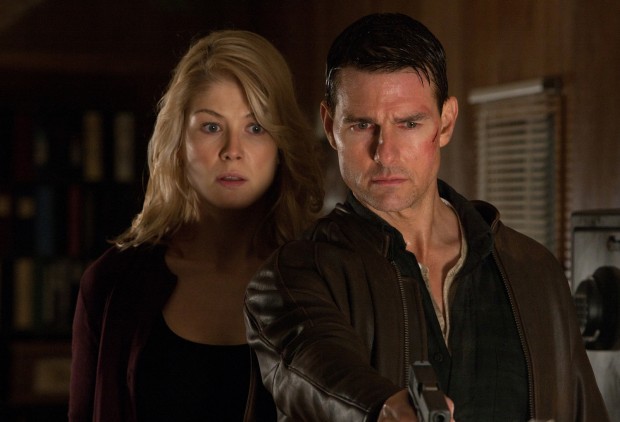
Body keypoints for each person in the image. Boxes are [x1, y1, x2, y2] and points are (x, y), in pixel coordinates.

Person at [244, 13, 609, 421]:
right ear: (331, 127)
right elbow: (318, 368)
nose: (385, 152)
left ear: (445, 123)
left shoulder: (534, 272)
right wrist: (384, 408)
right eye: (362, 125)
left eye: (409, 123)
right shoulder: (292, 276)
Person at [69, 29, 324, 421]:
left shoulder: (324, 280)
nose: (232, 151)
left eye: (256, 127)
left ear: (281, 144)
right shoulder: (113, 284)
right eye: (211, 127)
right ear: (177, 141)